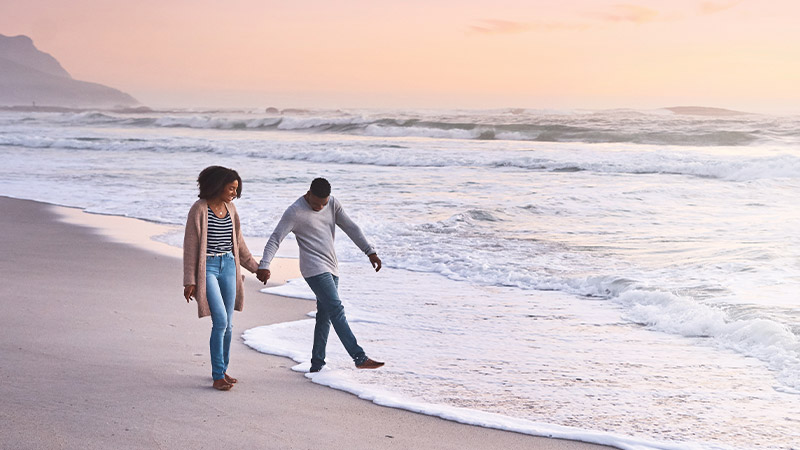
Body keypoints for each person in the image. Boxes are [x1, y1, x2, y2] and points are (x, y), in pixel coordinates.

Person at [256, 178, 384, 373]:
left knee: (324, 315)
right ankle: (359, 357)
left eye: (323, 204)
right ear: (309, 193)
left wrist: (370, 251)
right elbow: (275, 239)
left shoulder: (332, 203)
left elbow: (351, 227)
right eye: (316, 203)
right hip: (313, 268)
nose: (319, 207)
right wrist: (264, 265)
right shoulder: (295, 211)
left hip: (332, 266)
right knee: (336, 308)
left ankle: (317, 364)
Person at [183, 166, 260, 391]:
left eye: (236, 189)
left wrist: (256, 268)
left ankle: (223, 369)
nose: (234, 193)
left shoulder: (231, 209)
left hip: (228, 265)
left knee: (229, 324)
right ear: (218, 186)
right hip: (206, 267)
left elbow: (240, 244)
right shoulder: (198, 210)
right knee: (221, 321)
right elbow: (190, 247)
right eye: (231, 188)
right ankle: (217, 375)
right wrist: (189, 280)